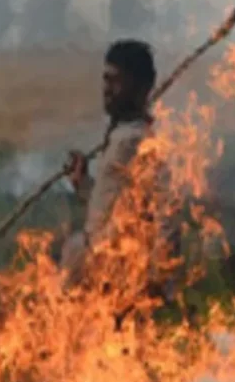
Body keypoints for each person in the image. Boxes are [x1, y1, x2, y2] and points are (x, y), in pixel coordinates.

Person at [60, 39, 178, 298]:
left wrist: (158, 277)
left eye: (115, 81)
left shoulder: (140, 142)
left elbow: (165, 210)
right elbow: (112, 210)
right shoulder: (120, 136)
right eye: (105, 80)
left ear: (141, 87)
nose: (107, 89)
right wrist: (84, 184)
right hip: (98, 279)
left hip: (121, 284)